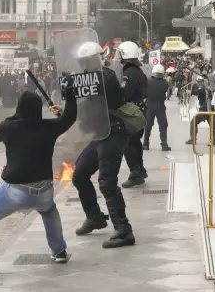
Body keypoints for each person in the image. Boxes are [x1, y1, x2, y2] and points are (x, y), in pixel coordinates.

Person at [0, 88, 77, 280]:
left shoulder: (10, 128)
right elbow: (69, 119)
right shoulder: (49, 127)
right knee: (48, 211)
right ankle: (59, 250)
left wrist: (17, 117)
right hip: (44, 189)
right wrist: (69, 98)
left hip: (16, 190)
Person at [70, 41, 136, 248]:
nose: (83, 65)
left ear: (96, 59)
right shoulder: (87, 79)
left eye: (86, 60)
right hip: (100, 135)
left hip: (114, 133)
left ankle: (124, 230)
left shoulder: (105, 77)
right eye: (82, 61)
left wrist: (73, 87)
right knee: (79, 175)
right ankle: (95, 216)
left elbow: (93, 89)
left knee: (107, 181)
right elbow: (84, 106)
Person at [116, 41, 148, 189]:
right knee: (135, 143)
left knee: (128, 144)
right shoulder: (138, 71)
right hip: (140, 112)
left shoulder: (129, 74)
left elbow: (124, 94)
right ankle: (140, 171)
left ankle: (135, 174)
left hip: (132, 115)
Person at [143, 64, 171, 151]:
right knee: (163, 125)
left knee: (148, 125)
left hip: (149, 105)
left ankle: (146, 143)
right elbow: (165, 90)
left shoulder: (147, 80)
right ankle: (164, 144)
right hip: (160, 106)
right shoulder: (164, 82)